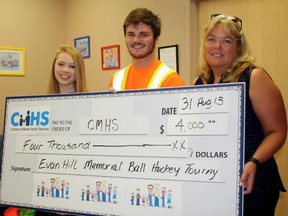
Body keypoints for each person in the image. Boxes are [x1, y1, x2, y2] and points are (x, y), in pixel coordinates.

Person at [192, 14, 287, 216]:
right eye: (211, 39)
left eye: (226, 41)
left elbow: (277, 131)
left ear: (238, 48)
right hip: (214, 184)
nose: (217, 46)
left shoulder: (254, 77)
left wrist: (254, 161)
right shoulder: (199, 82)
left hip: (252, 186)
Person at [4, 45, 88, 216]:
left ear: (79, 71)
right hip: (46, 192)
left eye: (72, 66)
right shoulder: (42, 105)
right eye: (61, 64)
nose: (65, 70)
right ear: (54, 67)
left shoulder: (88, 104)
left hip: (75, 192)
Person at [108, 8, 185, 91]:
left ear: (156, 39)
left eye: (143, 35)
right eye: (131, 35)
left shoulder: (171, 80)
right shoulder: (116, 80)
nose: (136, 40)